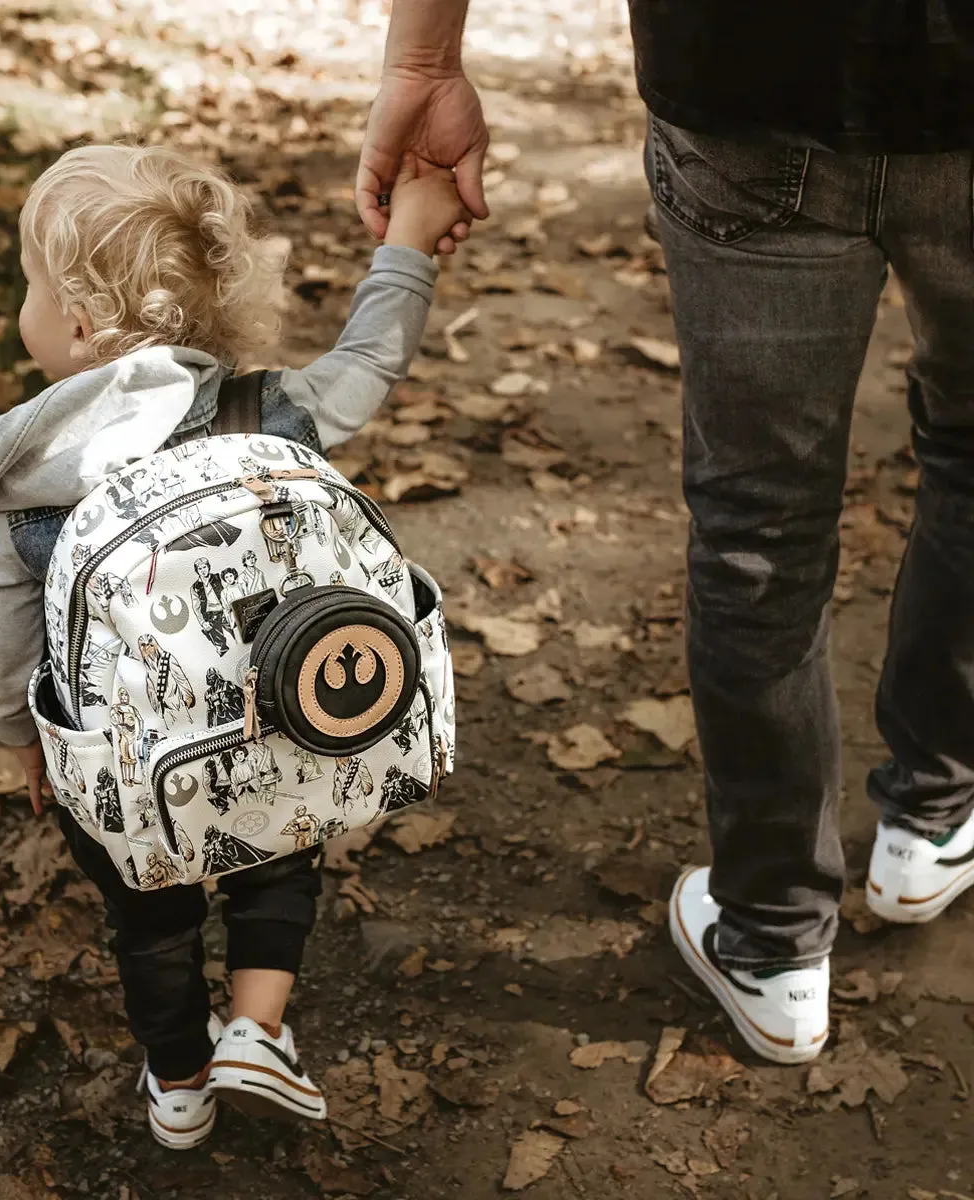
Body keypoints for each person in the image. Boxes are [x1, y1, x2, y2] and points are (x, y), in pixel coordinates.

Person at [360, 2, 974, 1066]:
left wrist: (424, 57)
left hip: (750, 81)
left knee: (761, 529)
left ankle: (776, 948)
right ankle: (934, 819)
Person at [0, 142, 468, 1146]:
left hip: (122, 765)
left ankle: (179, 1084)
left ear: (81, 322)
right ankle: (257, 1033)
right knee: (281, 853)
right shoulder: (262, 410)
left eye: (29, 287)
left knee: (148, 911)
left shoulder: (16, 472)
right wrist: (408, 243)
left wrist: (21, 735)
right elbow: (373, 361)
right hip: (275, 723)